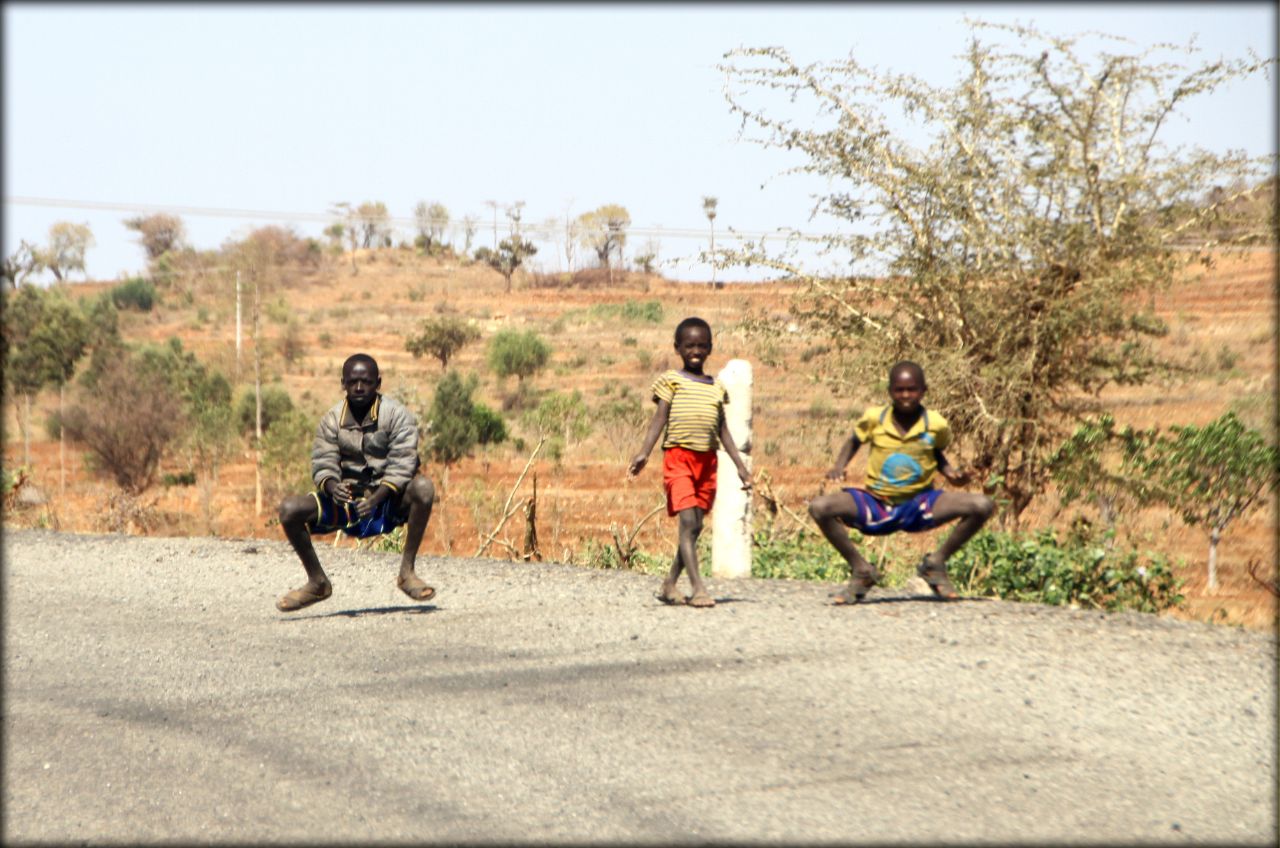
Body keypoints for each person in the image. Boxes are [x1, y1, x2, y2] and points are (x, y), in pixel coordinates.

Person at [808, 360, 994, 604]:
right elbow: (854, 441)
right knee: (820, 507)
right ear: (890, 392)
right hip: (877, 503)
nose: (906, 395)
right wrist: (839, 467)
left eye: (912, 389)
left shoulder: (935, 424)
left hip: (921, 503)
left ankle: (936, 563)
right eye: (899, 390)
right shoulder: (875, 419)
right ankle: (861, 570)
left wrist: (951, 474)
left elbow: (935, 452)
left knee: (982, 505)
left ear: (924, 391)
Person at [275, 353, 437, 612]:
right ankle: (317, 583)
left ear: (378, 383)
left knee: (424, 488)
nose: (359, 387)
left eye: (366, 382)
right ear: (343, 383)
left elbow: (403, 464)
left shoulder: (397, 416)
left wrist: (375, 498)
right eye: (352, 382)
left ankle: (407, 573)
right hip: (347, 507)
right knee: (289, 509)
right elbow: (322, 462)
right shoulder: (331, 420)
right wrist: (331, 486)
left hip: (388, 503)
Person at [628, 317, 752, 608]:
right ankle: (698, 588)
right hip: (678, 457)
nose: (695, 351)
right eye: (689, 346)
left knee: (694, 527)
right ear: (678, 348)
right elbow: (659, 418)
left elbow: (723, 431)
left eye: (701, 345)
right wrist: (645, 452)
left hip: (707, 463)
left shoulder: (716, 388)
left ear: (710, 348)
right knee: (687, 521)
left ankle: (670, 583)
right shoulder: (671, 381)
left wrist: (741, 466)